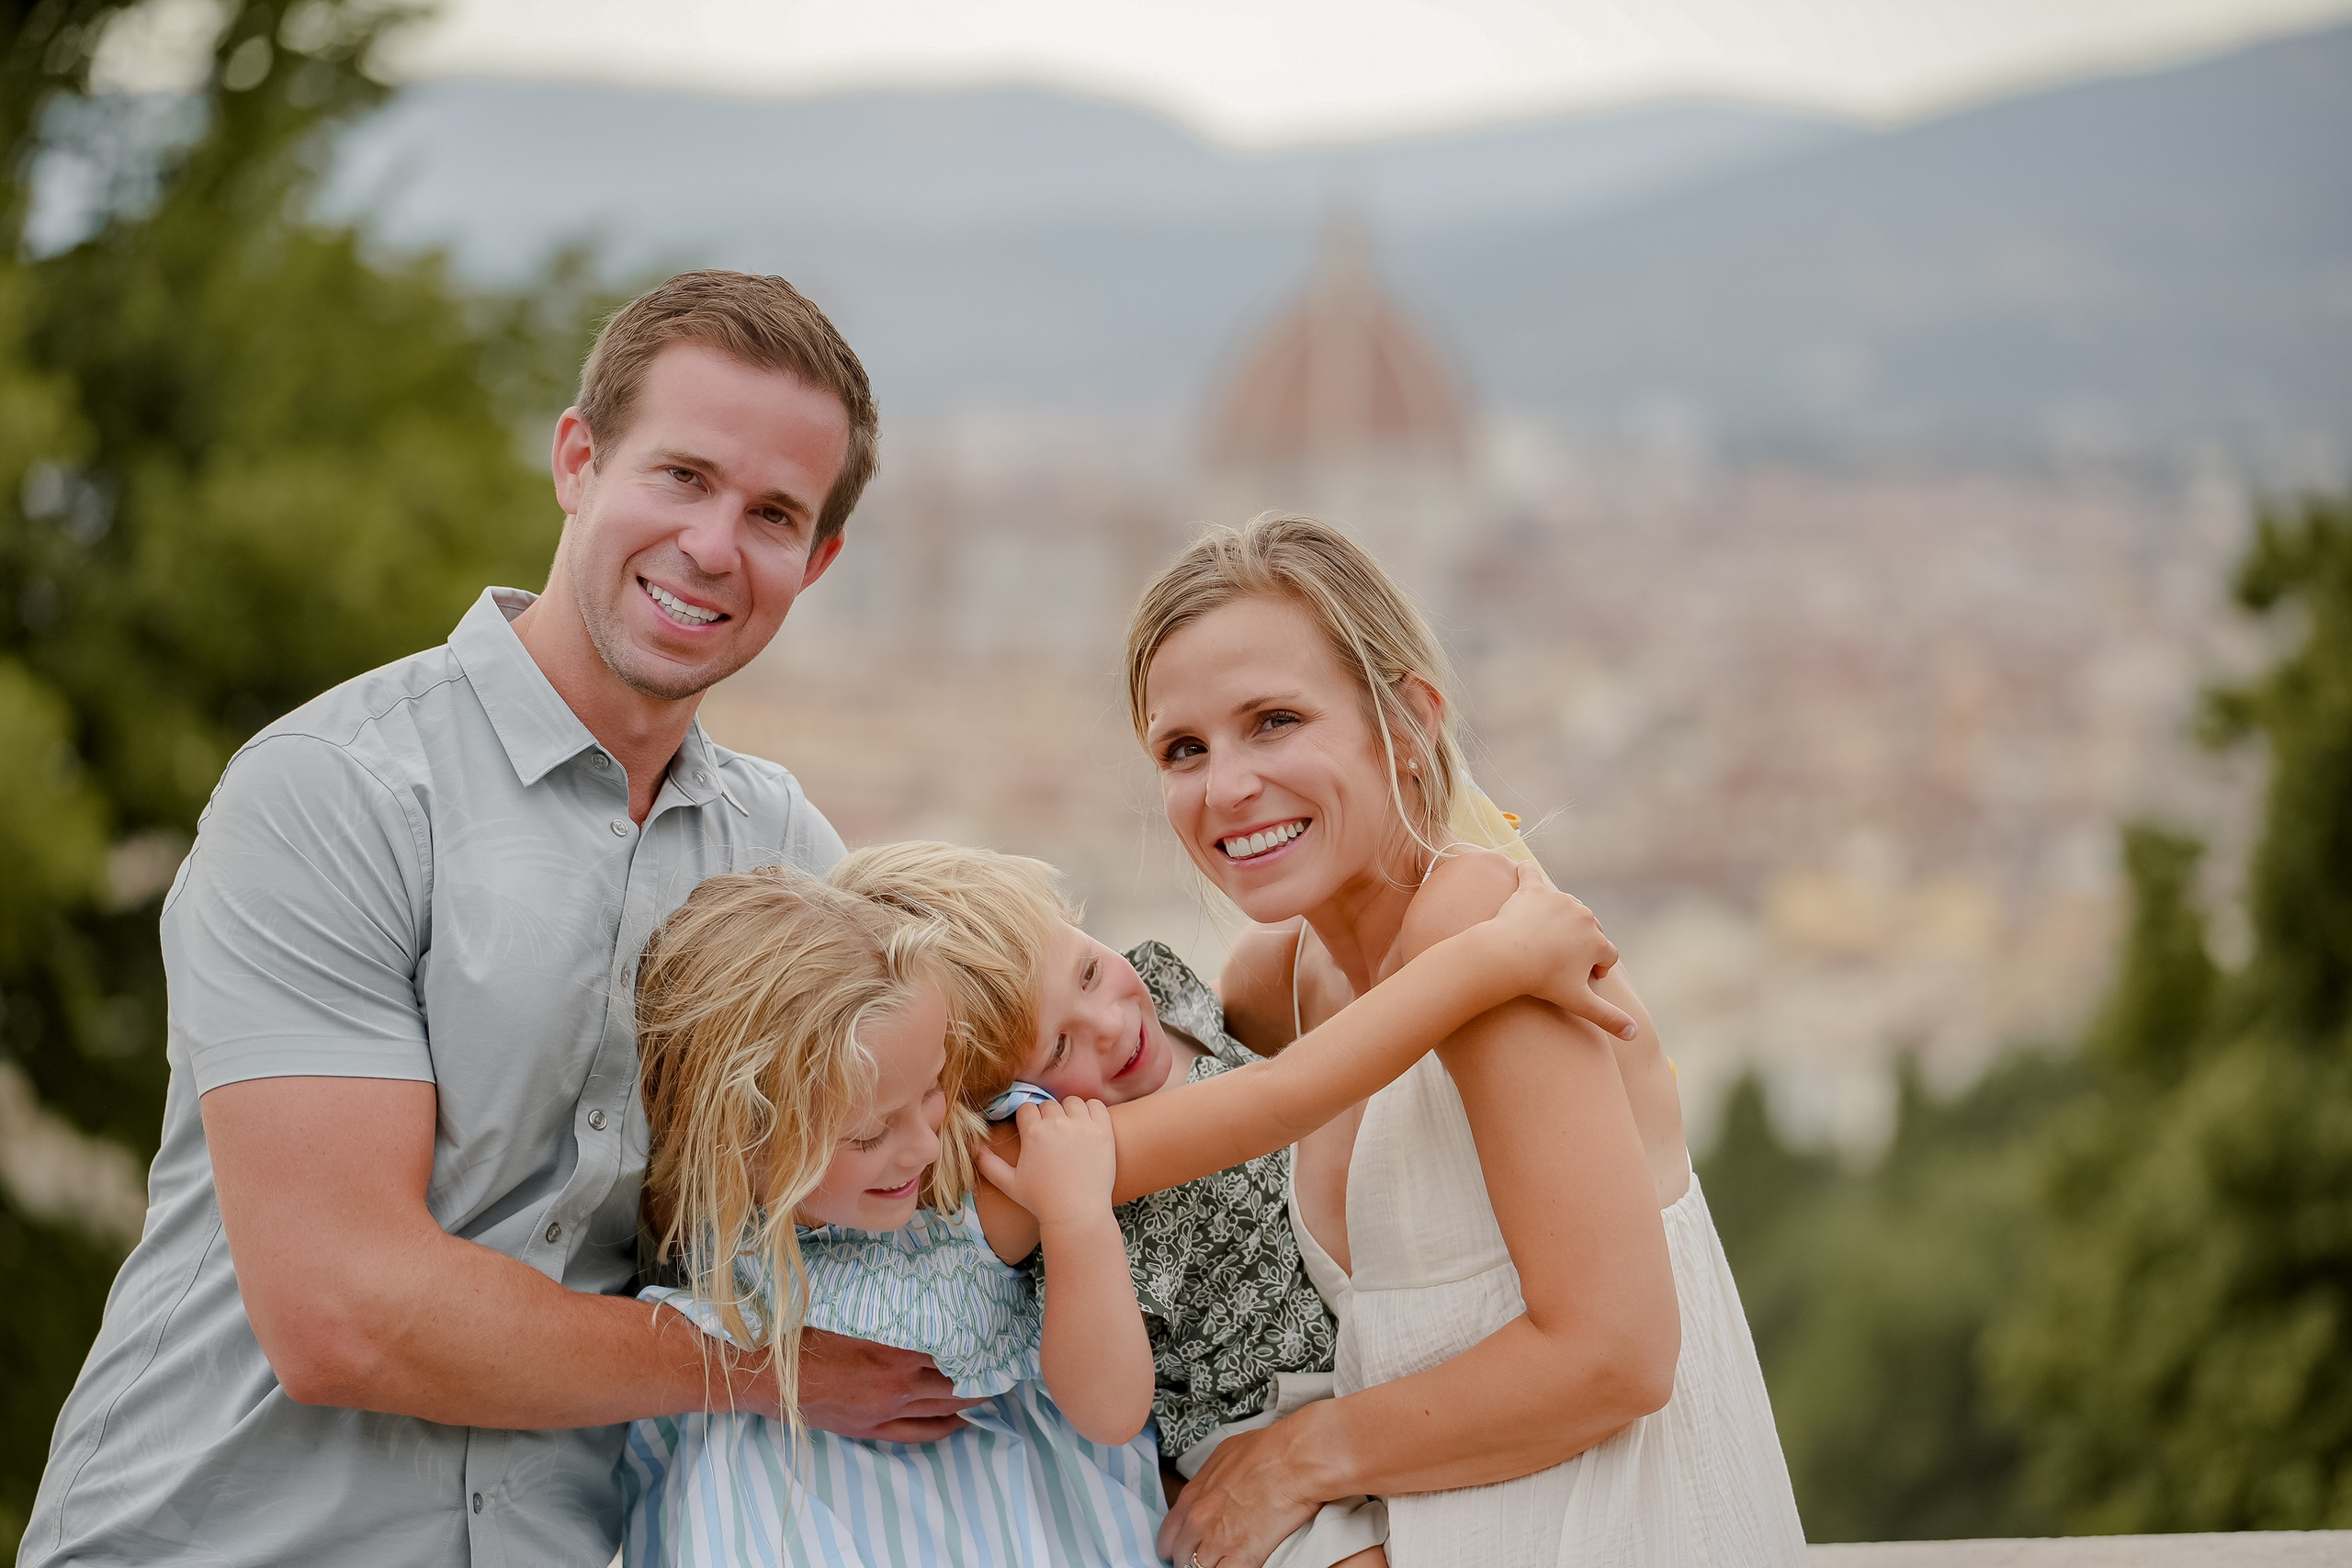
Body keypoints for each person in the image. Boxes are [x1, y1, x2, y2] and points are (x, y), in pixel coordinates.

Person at [20, 271, 973, 1568]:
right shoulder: (334, 792)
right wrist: (755, 1366)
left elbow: (933, 1153)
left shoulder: (790, 860)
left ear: (819, 559)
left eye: (772, 514)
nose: (712, 545)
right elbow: (345, 1311)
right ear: (578, 458)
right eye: (681, 476)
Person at [617, 843, 1630, 1567]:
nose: (924, 1146)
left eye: (928, 1097)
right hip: (1225, 1435)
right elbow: (1284, 1099)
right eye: (870, 1131)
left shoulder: (1039, 1110)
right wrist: (1487, 962)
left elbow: (1280, 1059)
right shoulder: (994, 1177)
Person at [1136, 513, 1810, 1568]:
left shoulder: (1487, 942)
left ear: (1407, 724)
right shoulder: (1279, 980)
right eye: (1184, 748)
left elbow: (1617, 1355)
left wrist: (1294, 1459)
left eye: (1272, 721)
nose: (1223, 787)